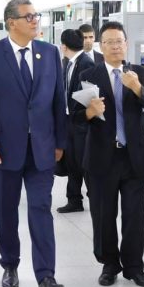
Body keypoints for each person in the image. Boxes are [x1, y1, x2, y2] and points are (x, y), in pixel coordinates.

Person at [0, 0, 67, 287]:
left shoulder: (49, 53)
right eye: (29, 17)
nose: (35, 20)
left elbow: (58, 100)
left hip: (42, 149)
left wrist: (60, 142)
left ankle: (46, 276)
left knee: (40, 209)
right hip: (2, 150)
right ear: (12, 22)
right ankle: (10, 264)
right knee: (6, 212)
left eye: (36, 15)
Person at [74, 21, 144, 287]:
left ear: (126, 43)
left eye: (119, 41)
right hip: (101, 157)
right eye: (109, 42)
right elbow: (74, 117)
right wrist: (89, 112)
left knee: (134, 215)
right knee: (103, 215)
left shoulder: (140, 73)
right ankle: (109, 264)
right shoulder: (88, 75)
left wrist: (137, 88)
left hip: (133, 157)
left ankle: (134, 267)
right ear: (101, 46)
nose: (115, 46)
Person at [56, 28, 94, 213]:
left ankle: (95, 196)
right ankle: (74, 200)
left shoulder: (86, 63)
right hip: (69, 120)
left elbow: (89, 95)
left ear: (63, 46)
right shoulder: (68, 62)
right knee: (72, 161)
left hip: (82, 122)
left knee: (84, 162)